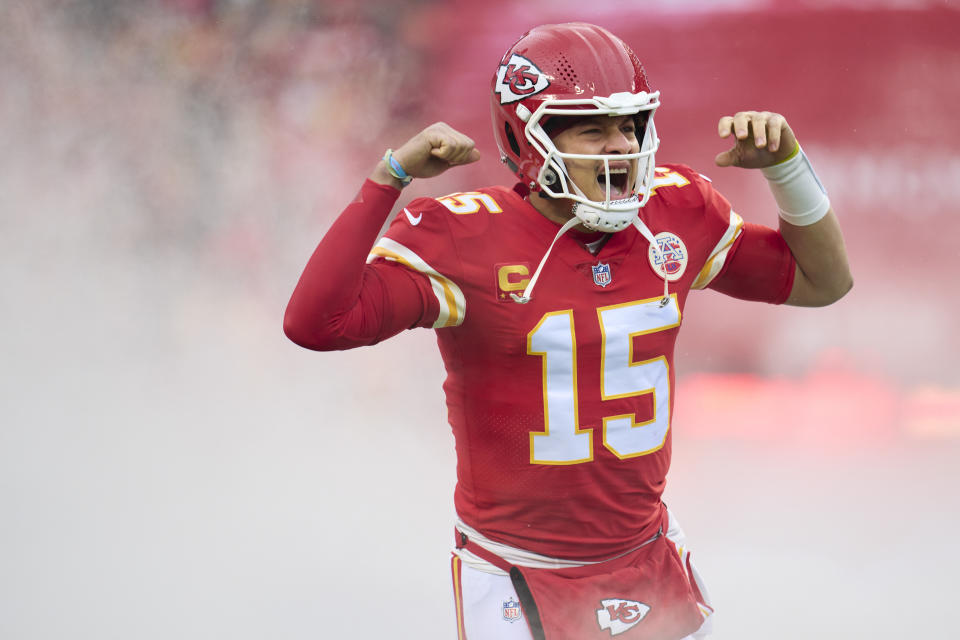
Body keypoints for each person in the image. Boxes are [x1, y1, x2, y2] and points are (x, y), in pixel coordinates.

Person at [284, 22, 851, 640]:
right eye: (593, 128)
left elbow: (823, 282)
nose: (620, 146)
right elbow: (316, 323)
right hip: (518, 572)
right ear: (528, 139)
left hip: (648, 555)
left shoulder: (675, 212)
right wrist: (388, 177)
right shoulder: (462, 235)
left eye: (630, 125)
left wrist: (787, 169)